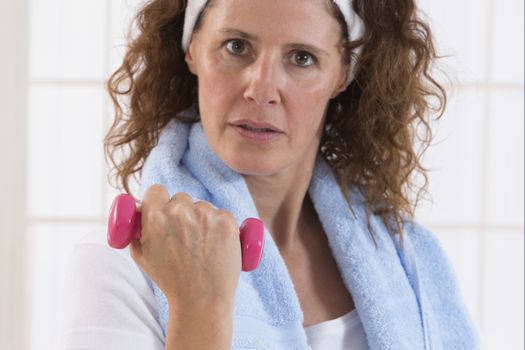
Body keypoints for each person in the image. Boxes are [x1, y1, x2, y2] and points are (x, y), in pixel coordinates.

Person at [59, 0, 479, 349]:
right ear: (192, 49)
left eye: (302, 58)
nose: (261, 89)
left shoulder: (406, 262)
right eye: (237, 46)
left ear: (342, 74)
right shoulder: (121, 264)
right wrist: (199, 307)